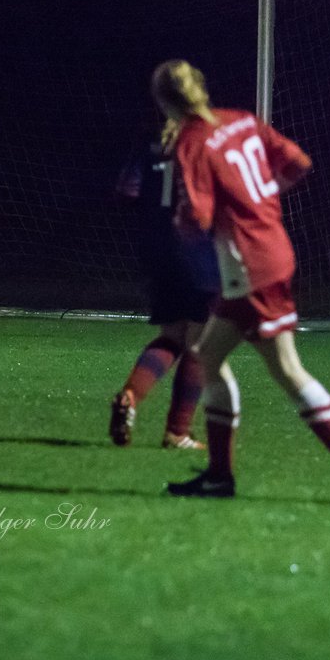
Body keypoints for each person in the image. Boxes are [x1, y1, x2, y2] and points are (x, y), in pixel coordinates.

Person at [151, 59, 330, 497]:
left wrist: (183, 230)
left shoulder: (192, 142)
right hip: (271, 250)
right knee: (206, 355)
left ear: (164, 102)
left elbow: (195, 217)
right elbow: (298, 163)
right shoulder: (242, 120)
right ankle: (219, 476)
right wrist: (259, 201)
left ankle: (221, 476)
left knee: (289, 371)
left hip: (249, 267)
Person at [108, 128, 221, 450]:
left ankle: (130, 396)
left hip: (158, 252)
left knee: (172, 336)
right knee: (201, 343)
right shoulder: (208, 142)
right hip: (197, 251)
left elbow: (126, 191)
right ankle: (177, 432)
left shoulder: (149, 143)